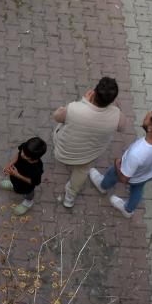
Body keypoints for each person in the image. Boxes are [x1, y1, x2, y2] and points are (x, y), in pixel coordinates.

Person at [89, 108, 152, 217]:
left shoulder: (137, 153)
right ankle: (128, 210)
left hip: (130, 173)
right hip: (148, 173)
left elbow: (124, 178)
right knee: (137, 189)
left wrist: (117, 164)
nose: (145, 116)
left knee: (113, 173)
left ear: (150, 128)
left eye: (147, 118)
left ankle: (102, 186)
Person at [51, 77, 121, 209]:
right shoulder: (117, 115)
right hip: (87, 156)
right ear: (112, 100)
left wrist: (83, 102)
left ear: (94, 92)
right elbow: (122, 126)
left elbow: (56, 116)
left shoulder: (74, 108)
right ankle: (69, 198)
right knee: (82, 172)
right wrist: (114, 108)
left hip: (63, 151)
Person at [1, 137, 47, 215]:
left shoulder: (37, 169)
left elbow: (34, 182)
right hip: (15, 179)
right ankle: (13, 186)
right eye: (22, 151)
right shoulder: (26, 149)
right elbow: (18, 154)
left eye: (25, 155)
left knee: (28, 195)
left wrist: (17, 175)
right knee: (15, 184)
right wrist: (10, 164)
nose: (22, 154)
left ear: (33, 158)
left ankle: (28, 203)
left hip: (26, 187)